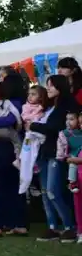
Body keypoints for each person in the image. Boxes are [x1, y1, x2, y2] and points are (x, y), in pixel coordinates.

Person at [27, 74, 78, 242]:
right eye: (47, 85)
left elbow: (55, 127)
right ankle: (52, 226)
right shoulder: (50, 106)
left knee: (53, 191)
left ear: (60, 87)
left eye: (51, 85)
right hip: (44, 151)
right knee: (44, 192)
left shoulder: (66, 105)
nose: (48, 88)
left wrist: (34, 125)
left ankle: (70, 226)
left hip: (57, 153)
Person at [56, 112, 82, 194]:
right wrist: (62, 156)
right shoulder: (65, 133)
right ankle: (72, 183)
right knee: (72, 165)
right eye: (67, 119)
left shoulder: (80, 131)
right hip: (73, 154)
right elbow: (60, 145)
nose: (68, 122)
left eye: (71, 119)